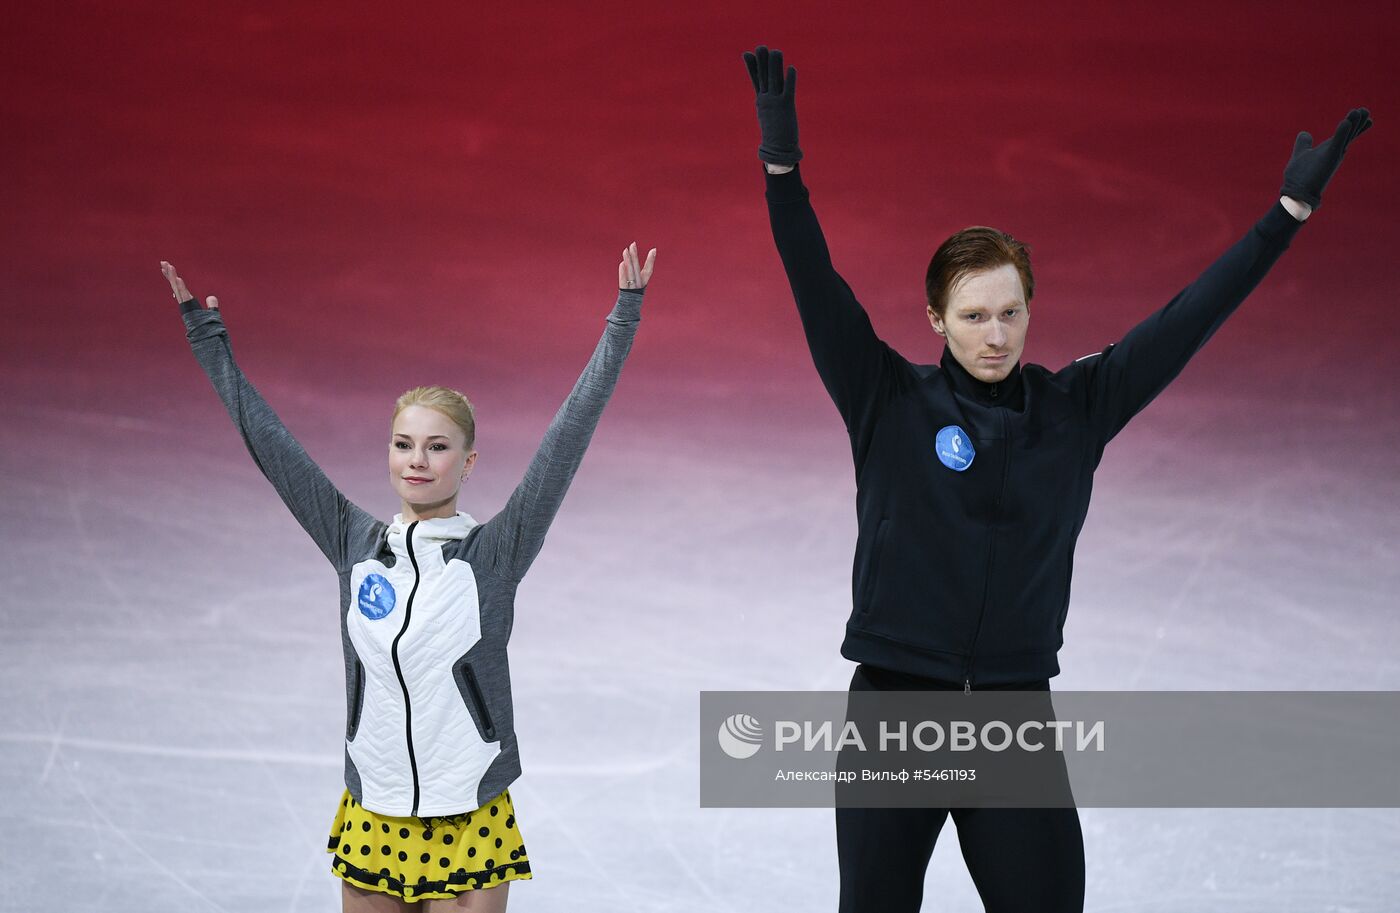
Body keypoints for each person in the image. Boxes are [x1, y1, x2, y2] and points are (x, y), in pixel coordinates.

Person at [741, 43, 1370, 913]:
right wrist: (782, 169)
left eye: (1010, 311)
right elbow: (814, 280)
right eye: (972, 315)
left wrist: (1286, 213)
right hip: (896, 711)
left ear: (1031, 309)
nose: (994, 334)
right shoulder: (886, 397)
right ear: (935, 318)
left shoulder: (1077, 407)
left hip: (1010, 718)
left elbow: (1188, 318)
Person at [159, 243, 656, 912]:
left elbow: (568, 436)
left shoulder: (494, 555)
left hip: (469, 814)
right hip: (375, 811)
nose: (417, 460)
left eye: (437, 445)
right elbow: (270, 445)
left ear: (468, 460)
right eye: (403, 443)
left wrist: (621, 320)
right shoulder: (352, 542)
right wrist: (207, 337)